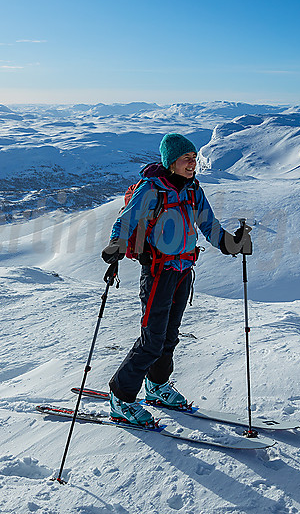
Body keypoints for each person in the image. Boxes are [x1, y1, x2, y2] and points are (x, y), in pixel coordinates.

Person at [101, 132, 251, 426]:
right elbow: (126, 220)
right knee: (152, 340)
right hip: (158, 272)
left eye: (194, 158)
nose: (192, 163)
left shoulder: (193, 190)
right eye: (186, 158)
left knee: (169, 336)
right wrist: (116, 244)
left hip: (183, 271)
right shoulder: (151, 188)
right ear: (171, 162)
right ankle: (121, 396)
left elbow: (209, 224)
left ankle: (156, 387)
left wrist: (230, 243)